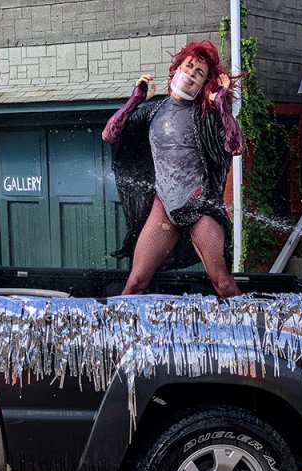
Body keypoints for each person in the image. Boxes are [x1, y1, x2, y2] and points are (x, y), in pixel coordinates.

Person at [102, 40, 244, 297]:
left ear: (204, 84)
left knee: (222, 282)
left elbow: (235, 147)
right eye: (188, 67)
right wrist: (135, 99)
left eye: (199, 73)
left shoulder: (206, 114)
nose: (191, 74)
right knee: (135, 283)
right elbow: (110, 133)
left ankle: (254, 332)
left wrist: (221, 102)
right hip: (164, 207)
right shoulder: (152, 111)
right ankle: (124, 334)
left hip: (200, 207)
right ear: (177, 68)